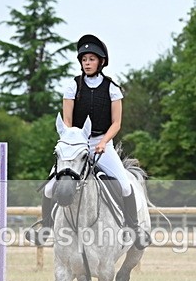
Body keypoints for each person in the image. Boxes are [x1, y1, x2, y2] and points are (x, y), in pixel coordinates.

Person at [29, 34, 151, 250]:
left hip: (102, 144)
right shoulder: (72, 86)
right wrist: (70, 138)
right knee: (49, 188)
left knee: (124, 185)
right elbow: (67, 119)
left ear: (101, 62)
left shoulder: (112, 88)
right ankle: (46, 228)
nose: (87, 63)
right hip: (76, 145)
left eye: (91, 59)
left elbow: (116, 123)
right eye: (84, 59)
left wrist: (103, 142)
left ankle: (133, 228)